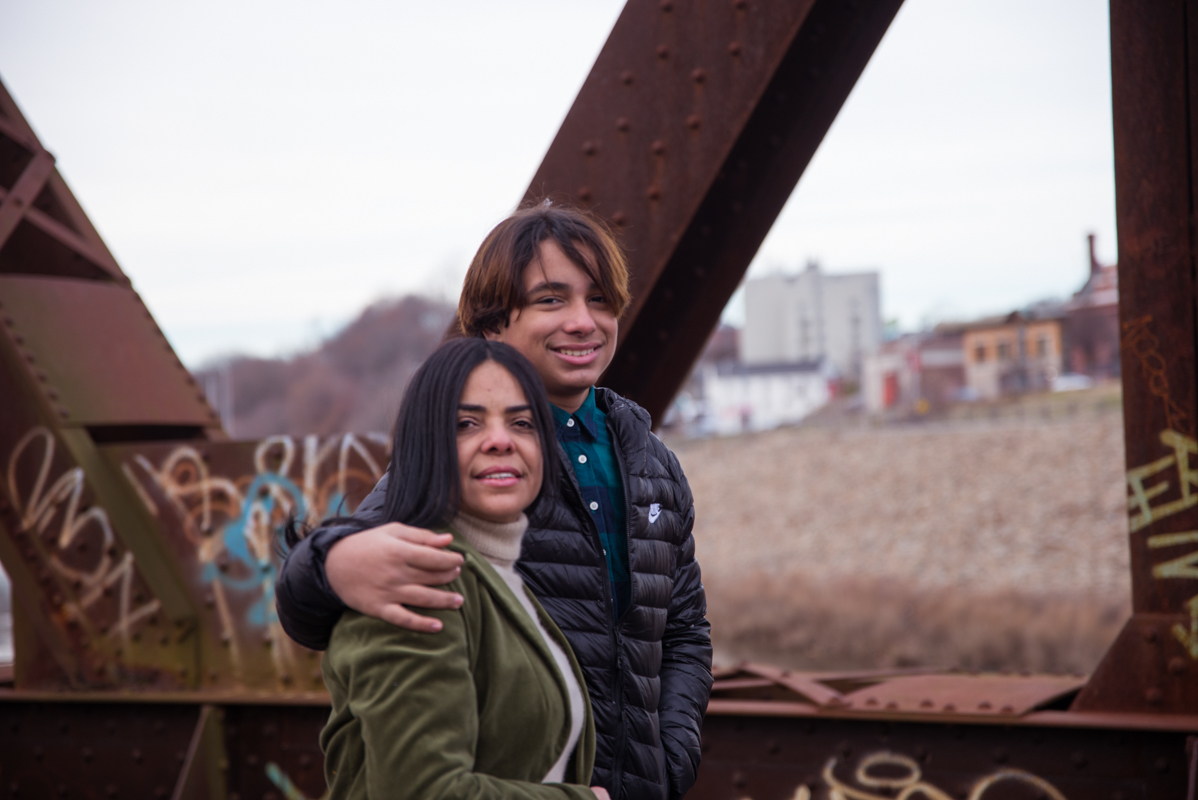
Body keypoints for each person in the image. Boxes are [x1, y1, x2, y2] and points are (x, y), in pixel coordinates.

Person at [278, 202, 712, 800]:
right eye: (552, 300)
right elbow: (314, 601)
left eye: (600, 299)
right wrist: (328, 561)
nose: (584, 322)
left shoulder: (651, 461)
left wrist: (672, 754)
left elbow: (684, 627)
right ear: (491, 326)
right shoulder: (480, 462)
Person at [315, 336, 606, 799]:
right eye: (467, 424)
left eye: (522, 423)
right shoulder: (421, 579)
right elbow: (423, 792)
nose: (500, 441)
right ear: (425, 445)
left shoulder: (498, 575)